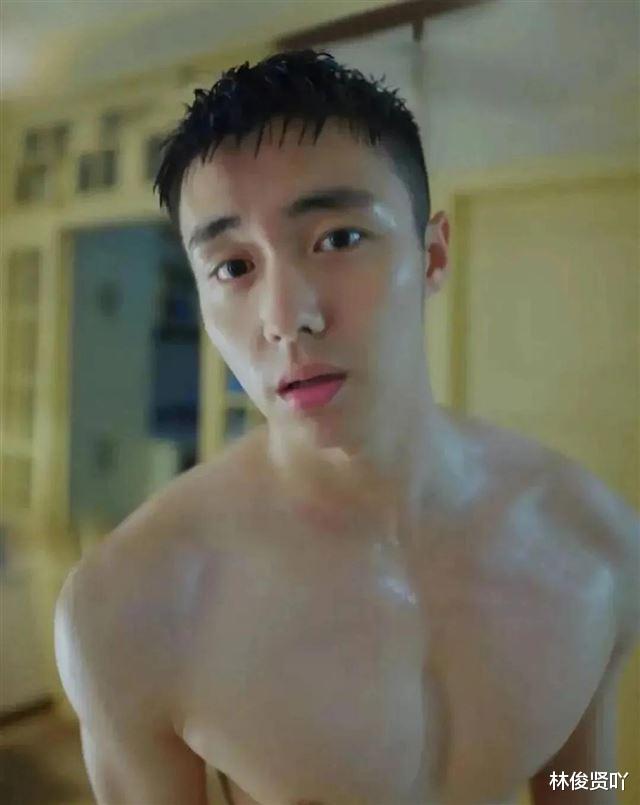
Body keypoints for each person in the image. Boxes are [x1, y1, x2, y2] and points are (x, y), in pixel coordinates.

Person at [54, 50, 639, 805]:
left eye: (337, 238)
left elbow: (580, 777)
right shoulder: (133, 606)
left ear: (432, 255)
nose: (285, 317)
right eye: (233, 267)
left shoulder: (593, 543)